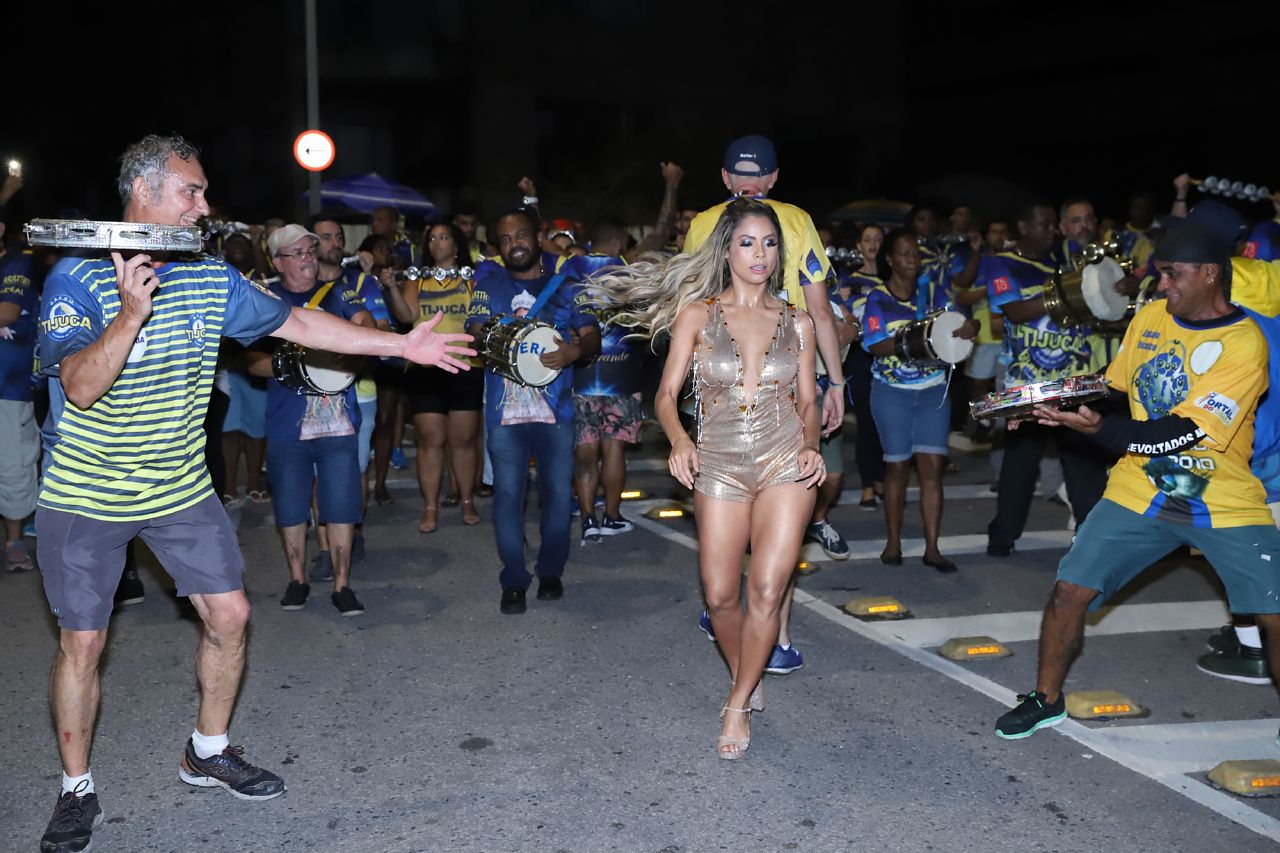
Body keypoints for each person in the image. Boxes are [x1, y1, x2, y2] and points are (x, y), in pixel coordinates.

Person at [33, 135, 473, 853]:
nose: (206, 204)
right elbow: (78, 388)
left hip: (176, 482)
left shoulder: (210, 276)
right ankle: (76, 789)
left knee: (232, 615)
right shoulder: (78, 277)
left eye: (204, 190)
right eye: (191, 191)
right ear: (143, 193)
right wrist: (129, 313)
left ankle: (208, 749)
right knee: (83, 641)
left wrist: (402, 346)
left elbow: (297, 322)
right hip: (89, 490)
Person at [994, 222, 1280, 739]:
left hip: (1220, 493)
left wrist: (1101, 430)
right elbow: (1111, 386)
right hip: (1143, 484)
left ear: (1210, 273)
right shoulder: (1151, 317)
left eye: (1172, 274)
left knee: (1276, 611)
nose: (1161, 285)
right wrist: (1044, 405)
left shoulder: (1244, 344)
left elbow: (1184, 432)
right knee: (1068, 591)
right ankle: (1046, 699)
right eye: (1160, 274)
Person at [591, 197, 824, 758]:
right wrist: (678, 439)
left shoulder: (799, 322)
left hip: (784, 461)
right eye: (747, 242)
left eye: (770, 243)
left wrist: (813, 445)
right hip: (717, 461)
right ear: (727, 249)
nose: (760, 254)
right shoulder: (696, 315)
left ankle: (738, 700)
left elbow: (810, 402)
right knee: (721, 597)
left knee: (767, 589)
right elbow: (665, 396)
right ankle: (750, 669)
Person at [684, 134, 845, 677]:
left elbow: (816, 314)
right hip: (733, 385)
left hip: (781, 381)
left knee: (784, 507)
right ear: (727, 178)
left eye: (756, 174)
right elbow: (820, 311)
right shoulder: (790, 220)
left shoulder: (730, 223)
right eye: (741, 174)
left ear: (771, 179)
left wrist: (830, 382)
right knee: (753, 515)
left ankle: (764, 627)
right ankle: (761, 626)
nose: (749, 182)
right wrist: (839, 383)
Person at [466, 207, 600, 614]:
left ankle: (551, 571)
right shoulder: (489, 284)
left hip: (555, 413)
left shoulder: (567, 286)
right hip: (505, 415)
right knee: (507, 495)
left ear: (538, 236)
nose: (514, 245)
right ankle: (513, 578)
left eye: (521, 235)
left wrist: (574, 351)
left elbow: (592, 335)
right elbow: (473, 333)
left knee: (558, 495)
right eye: (505, 240)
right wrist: (490, 334)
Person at [982, 201, 1110, 556]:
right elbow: (1016, 311)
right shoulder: (1002, 263)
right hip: (1022, 384)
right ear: (1023, 227)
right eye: (1044, 223)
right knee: (1019, 464)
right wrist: (1071, 292)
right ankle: (1002, 535)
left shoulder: (1061, 265)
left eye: (1054, 223)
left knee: (1083, 463)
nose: (1051, 230)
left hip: (1071, 382)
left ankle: (1091, 539)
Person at [862, 229, 977, 572]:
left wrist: (970, 328)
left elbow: (959, 324)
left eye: (916, 253)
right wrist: (916, 340)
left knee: (932, 470)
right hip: (891, 393)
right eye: (905, 253)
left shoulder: (934, 291)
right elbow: (874, 345)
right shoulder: (878, 299)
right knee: (896, 467)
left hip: (932, 392)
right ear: (890, 259)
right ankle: (893, 543)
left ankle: (932, 548)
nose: (913, 259)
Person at [390, 221, 484, 532]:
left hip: (464, 366)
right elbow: (405, 317)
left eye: (443, 237)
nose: (437, 243)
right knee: (430, 440)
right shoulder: (419, 280)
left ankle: (467, 499)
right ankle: (430, 507)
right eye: (432, 238)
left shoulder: (473, 279)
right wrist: (392, 286)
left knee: (464, 440)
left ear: (457, 245)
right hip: (425, 369)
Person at [565, 219, 645, 542]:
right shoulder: (630, 272)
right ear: (616, 244)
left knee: (584, 450)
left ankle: (587, 519)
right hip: (621, 375)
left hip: (579, 373)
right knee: (614, 450)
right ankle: (611, 516)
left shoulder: (569, 270)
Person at [0, 241, 39, 571]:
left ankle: (13, 540)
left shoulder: (17, 263)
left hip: (8, 386)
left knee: (13, 466)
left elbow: (6, 313)